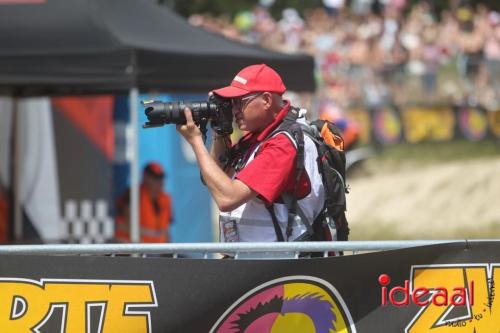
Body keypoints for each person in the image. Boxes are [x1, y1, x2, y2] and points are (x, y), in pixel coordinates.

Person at [177, 64, 325, 243]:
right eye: (232, 103)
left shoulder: (283, 144)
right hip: (254, 260)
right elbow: (217, 177)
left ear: (267, 100)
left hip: (280, 264)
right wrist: (221, 130)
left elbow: (227, 198)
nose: (234, 109)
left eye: (240, 101)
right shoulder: (257, 137)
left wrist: (196, 142)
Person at [115, 162, 173, 243]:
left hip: (157, 250)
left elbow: (166, 232)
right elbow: (122, 226)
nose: (159, 182)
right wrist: (153, 234)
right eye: (155, 178)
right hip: (132, 248)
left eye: (160, 178)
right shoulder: (134, 194)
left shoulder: (166, 200)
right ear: (145, 177)